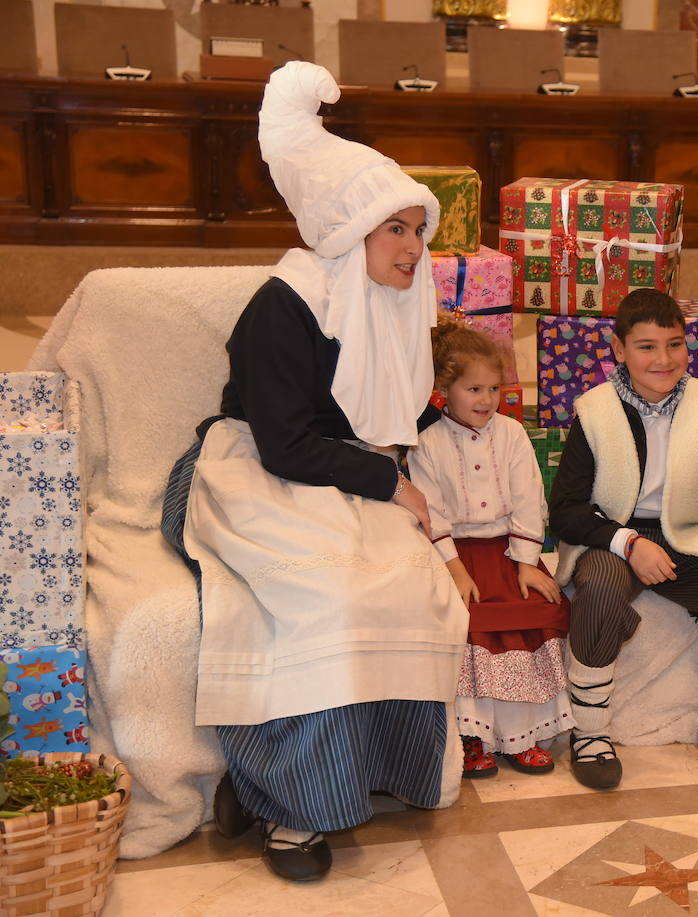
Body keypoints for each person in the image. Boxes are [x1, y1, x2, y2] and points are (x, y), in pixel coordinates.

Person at [161, 62, 467, 882]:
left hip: (334, 476)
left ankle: (372, 774)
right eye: (396, 229)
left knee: (403, 576)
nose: (414, 248)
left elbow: (378, 419)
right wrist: (396, 487)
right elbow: (287, 442)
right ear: (347, 228)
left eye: (419, 231)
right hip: (249, 469)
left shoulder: (382, 307)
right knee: (324, 593)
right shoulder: (283, 305)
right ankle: (287, 805)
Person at [548, 289, 698, 790]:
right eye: (647, 347)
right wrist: (629, 544)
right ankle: (589, 733)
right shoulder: (594, 411)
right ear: (618, 350)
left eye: (675, 345)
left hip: (690, 535)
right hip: (612, 537)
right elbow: (566, 510)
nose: (664, 360)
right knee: (602, 592)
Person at [407, 320, 573, 778]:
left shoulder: (513, 434)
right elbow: (431, 511)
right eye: (473, 388)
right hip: (457, 556)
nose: (486, 400)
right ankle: (472, 738)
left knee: (523, 627)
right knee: (469, 634)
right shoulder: (428, 442)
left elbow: (528, 498)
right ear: (445, 389)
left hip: (507, 554)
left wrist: (524, 562)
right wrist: (455, 570)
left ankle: (521, 737)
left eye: (494, 388)